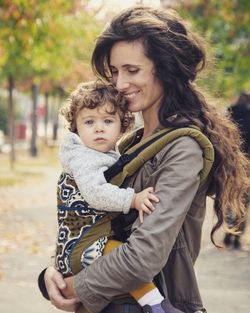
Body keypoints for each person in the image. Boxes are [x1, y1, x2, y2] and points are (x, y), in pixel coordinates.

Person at [39, 5, 250, 313]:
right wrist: (52, 274)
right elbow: (92, 222)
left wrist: (75, 287)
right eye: (115, 71)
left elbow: (142, 257)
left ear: (165, 68)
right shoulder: (127, 144)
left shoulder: (182, 149)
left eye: (132, 70)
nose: (120, 84)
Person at [54, 80, 173, 313]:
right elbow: (96, 194)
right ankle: (154, 303)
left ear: (122, 126)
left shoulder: (103, 153)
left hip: (83, 244)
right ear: (76, 128)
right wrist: (133, 199)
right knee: (119, 254)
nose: (99, 128)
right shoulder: (84, 158)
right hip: (82, 245)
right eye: (89, 122)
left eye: (108, 121)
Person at [223, 92, 250, 249]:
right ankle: (238, 236)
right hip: (248, 164)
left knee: (228, 198)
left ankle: (228, 232)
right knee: (244, 200)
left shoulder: (231, 113)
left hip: (232, 162)